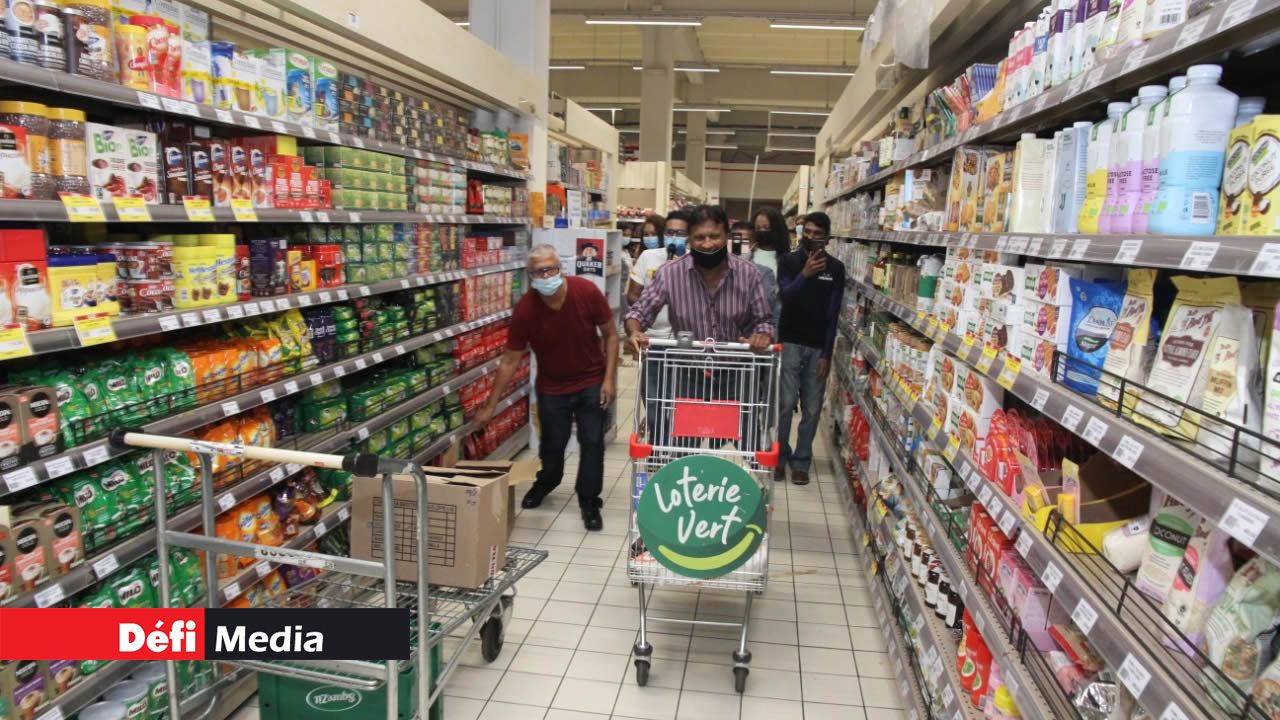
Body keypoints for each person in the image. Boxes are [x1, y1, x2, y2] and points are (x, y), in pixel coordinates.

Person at [473, 244, 618, 530]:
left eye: (551, 268)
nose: (547, 275)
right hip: (552, 386)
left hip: (590, 380)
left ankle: (589, 500)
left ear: (560, 268)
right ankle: (547, 482)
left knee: (592, 442)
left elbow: (611, 335)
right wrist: (489, 406)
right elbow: (510, 361)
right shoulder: (526, 309)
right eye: (540, 271)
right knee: (552, 444)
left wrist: (609, 379)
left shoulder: (586, 292)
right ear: (530, 276)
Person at [775, 211, 846, 485]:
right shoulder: (789, 261)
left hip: (818, 346)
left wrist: (827, 354)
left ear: (827, 238)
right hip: (790, 340)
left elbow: (833, 313)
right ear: (801, 232)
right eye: (808, 232)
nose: (812, 238)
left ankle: (802, 460)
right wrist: (804, 274)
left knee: (813, 407)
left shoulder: (836, 269)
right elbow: (785, 296)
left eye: (818, 234)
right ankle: (780, 456)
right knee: (785, 404)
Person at [627, 210, 687, 339]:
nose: (674, 237)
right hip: (650, 334)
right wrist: (647, 311)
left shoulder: (695, 261)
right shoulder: (648, 256)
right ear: (664, 234)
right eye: (670, 232)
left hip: (683, 336)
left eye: (680, 233)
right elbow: (632, 294)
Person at [733, 220, 780, 329]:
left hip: (751, 339)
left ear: (754, 245)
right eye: (736, 241)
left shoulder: (764, 274)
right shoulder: (716, 271)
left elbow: (764, 306)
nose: (739, 245)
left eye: (745, 241)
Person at [751, 206, 791, 276]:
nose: (762, 231)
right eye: (758, 228)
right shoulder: (749, 254)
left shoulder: (787, 258)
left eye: (766, 228)